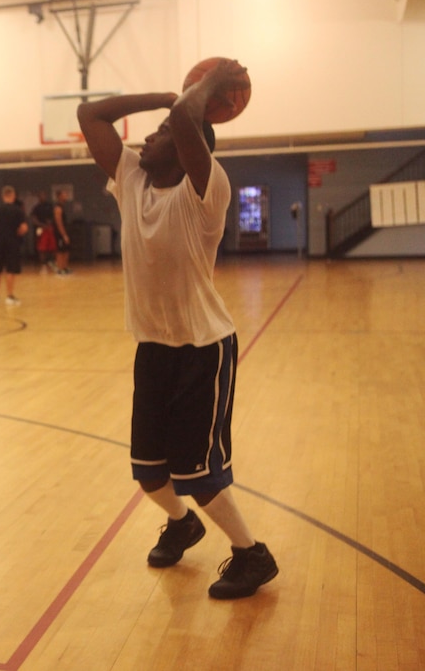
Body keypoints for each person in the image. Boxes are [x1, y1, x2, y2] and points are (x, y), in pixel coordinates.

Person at [76, 58, 278, 600]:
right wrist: (162, 97)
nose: (147, 137)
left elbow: (189, 125)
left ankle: (251, 555)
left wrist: (203, 90)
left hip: (204, 348)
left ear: (193, 145)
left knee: (200, 473)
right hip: (154, 347)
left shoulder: (206, 190)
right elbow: (89, 113)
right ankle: (182, 524)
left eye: (163, 132)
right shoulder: (131, 180)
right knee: (148, 471)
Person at [0, 185, 28, 306]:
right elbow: (23, 228)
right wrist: (17, 233)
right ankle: (9, 296)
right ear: (13, 196)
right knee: (11, 270)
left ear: (3, 196)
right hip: (12, 243)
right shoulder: (18, 210)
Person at [30, 190, 57, 271]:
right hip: (41, 229)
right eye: (41, 196)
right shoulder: (36, 207)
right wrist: (42, 225)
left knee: (53, 246)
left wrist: (50, 223)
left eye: (44, 195)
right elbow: (34, 219)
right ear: (38, 197)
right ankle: (43, 264)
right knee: (42, 247)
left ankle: (52, 262)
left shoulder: (50, 206)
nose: (43, 197)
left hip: (50, 228)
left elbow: (55, 216)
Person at [53, 189, 72, 275]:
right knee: (60, 251)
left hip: (65, 232)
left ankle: (64, 267)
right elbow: (59, 222)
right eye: (64, 194)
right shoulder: (58, 208)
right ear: (60, 196)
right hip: (60, 234)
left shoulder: (62, 207)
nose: (66, 196)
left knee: (66, 250)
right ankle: (59, 269)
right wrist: (64, 235)